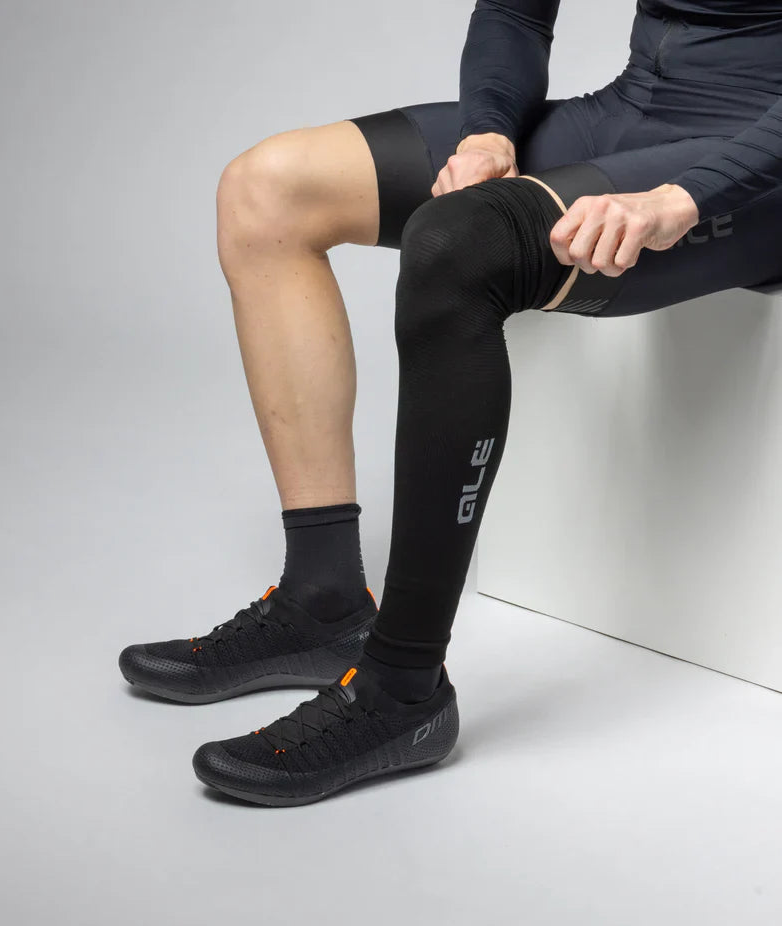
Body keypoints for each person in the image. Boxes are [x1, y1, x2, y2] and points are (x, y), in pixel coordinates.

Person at [119, 0, 782, 805]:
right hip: (631, 112)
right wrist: (488, 130)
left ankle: (403, 690)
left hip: (760, 167)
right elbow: (514, 11)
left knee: (461, 243)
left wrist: (683, 197)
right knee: (266, 190)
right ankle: (321, 597)